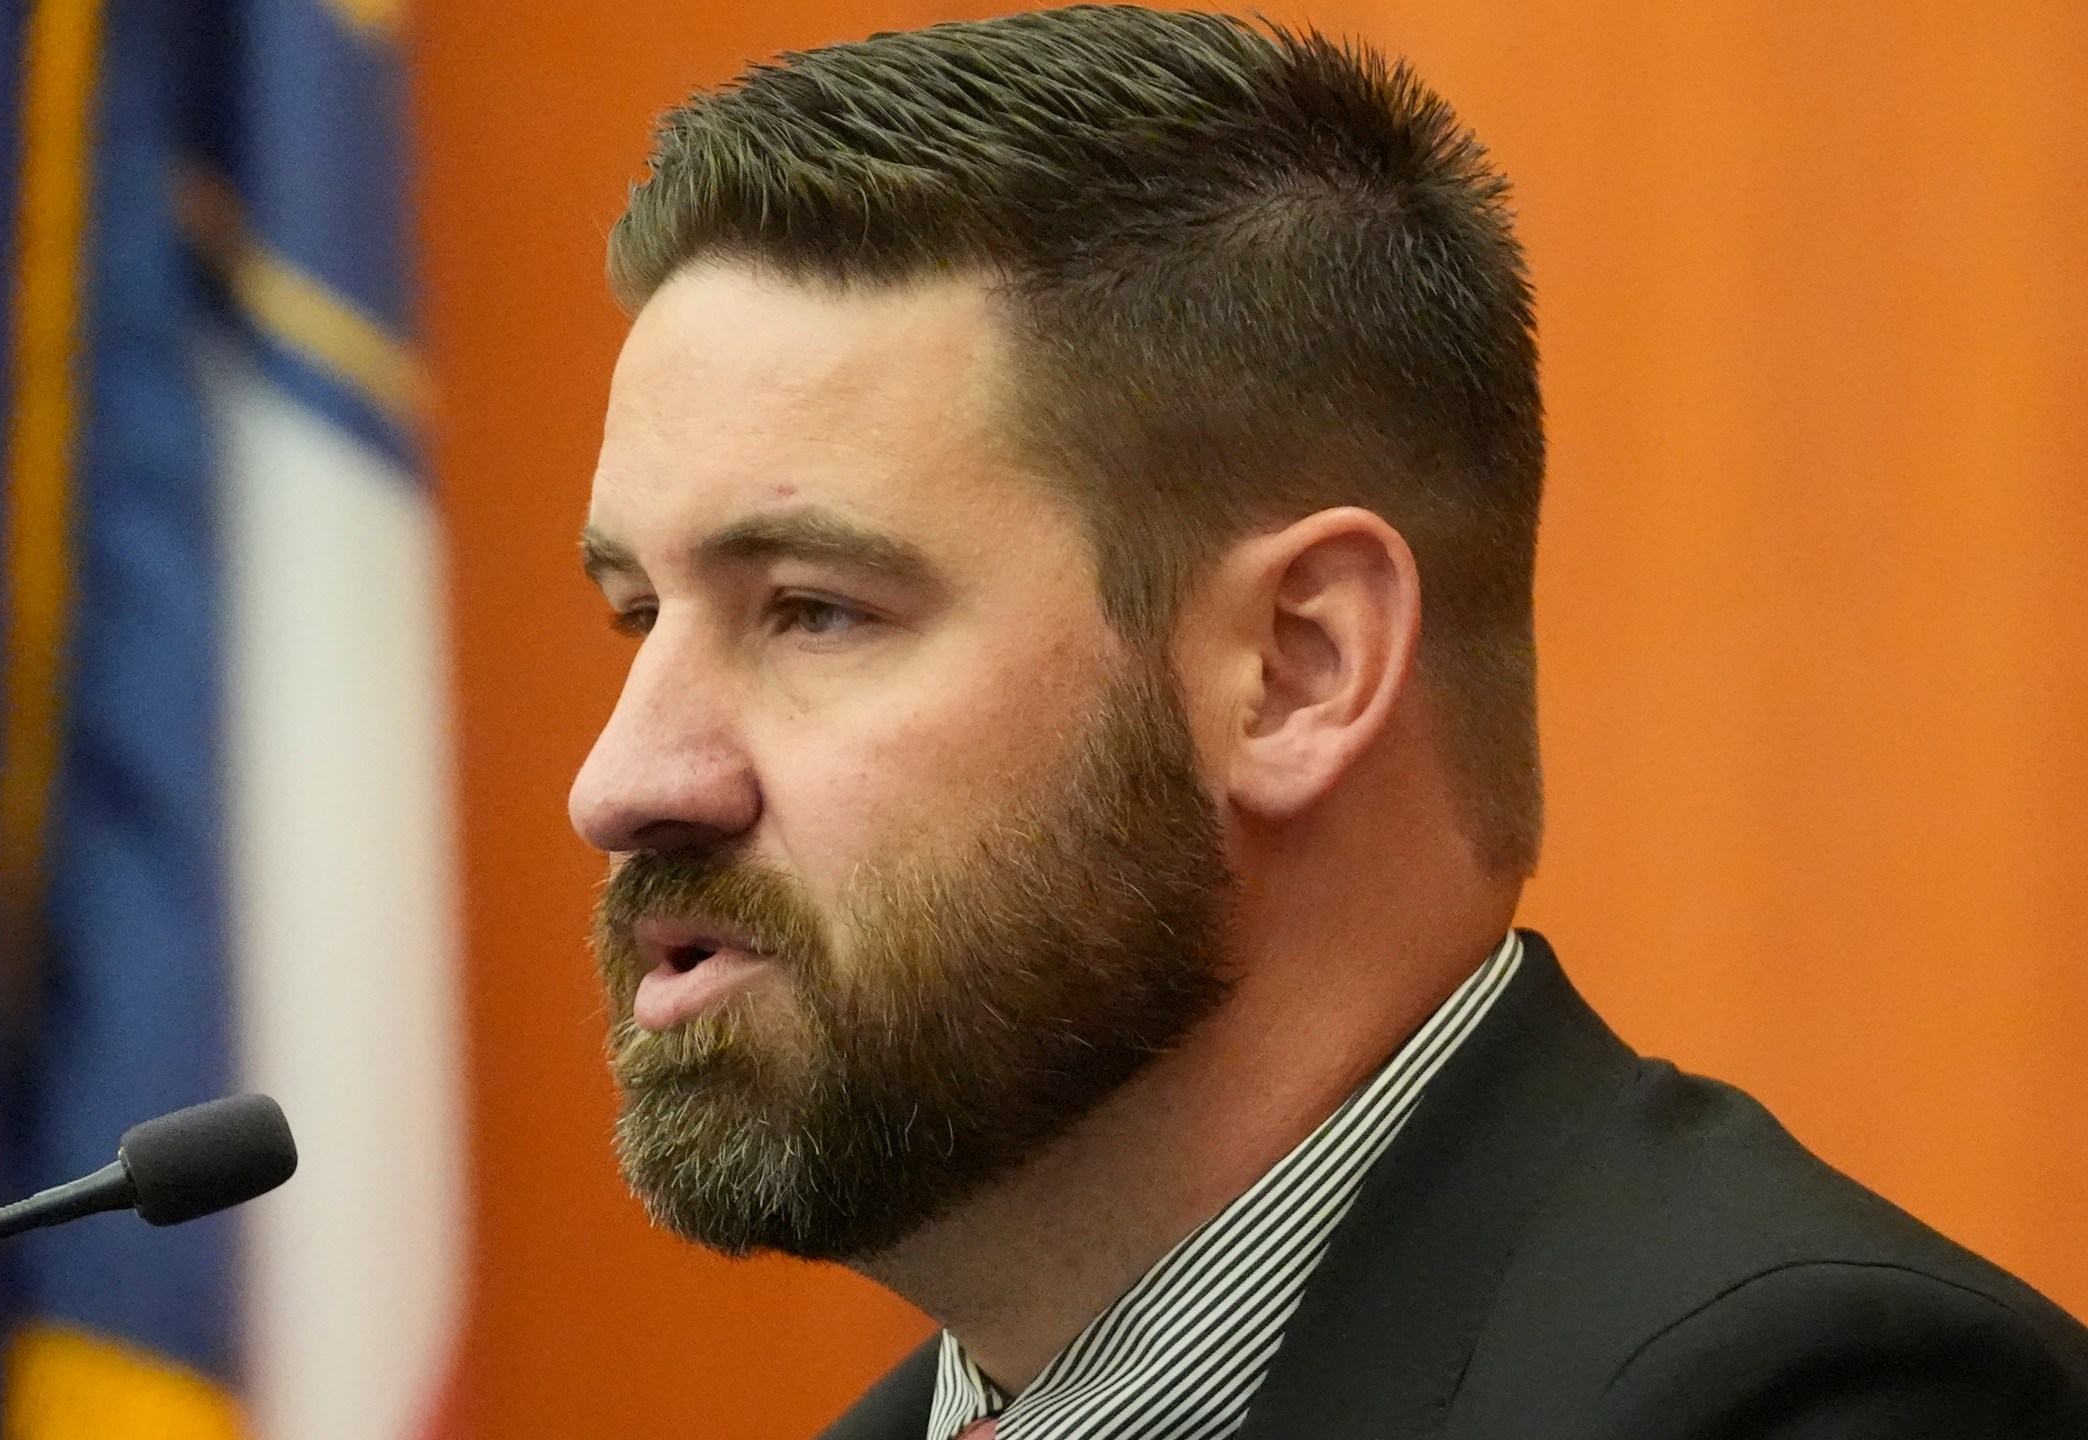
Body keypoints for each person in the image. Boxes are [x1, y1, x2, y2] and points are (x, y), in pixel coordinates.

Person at [563, 8, 2088, 1437]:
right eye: (639, 613)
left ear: (1298, 669)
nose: (622, 780)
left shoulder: (1794, 1402)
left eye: (814, 609)